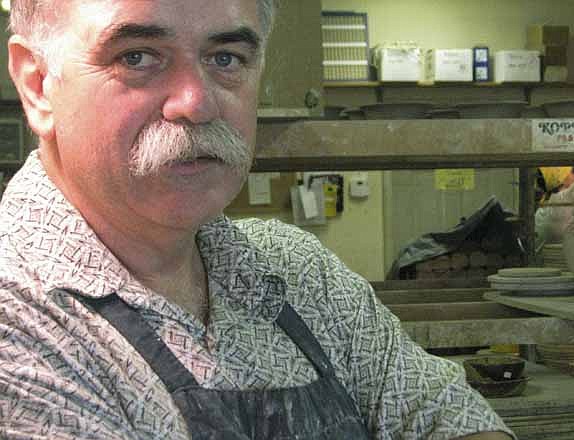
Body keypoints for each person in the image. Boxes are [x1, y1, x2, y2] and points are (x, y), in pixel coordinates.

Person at [0, 1, 514, 438]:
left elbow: (451, 417)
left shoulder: (300, 271)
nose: (197, 104)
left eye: (225, 58)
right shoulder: (16, 324)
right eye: (137, 57)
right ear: (38, 83)